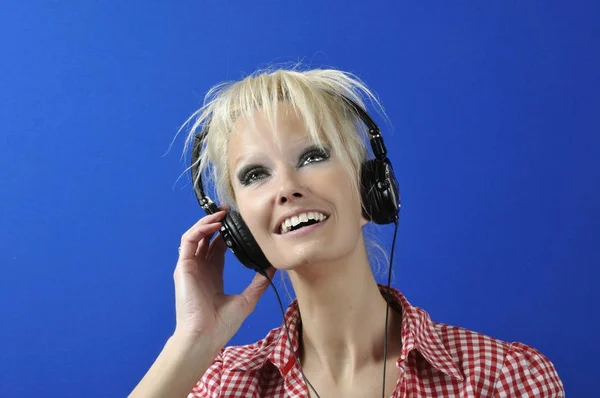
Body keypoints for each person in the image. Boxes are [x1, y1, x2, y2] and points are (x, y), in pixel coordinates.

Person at [130, 66, 564, 397]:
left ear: (369, 192)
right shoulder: (225, 385)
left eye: (314, 156)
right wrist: (193, 342)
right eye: (256, 174)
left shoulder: (502, 378)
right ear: (239, 227)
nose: (286, 188)